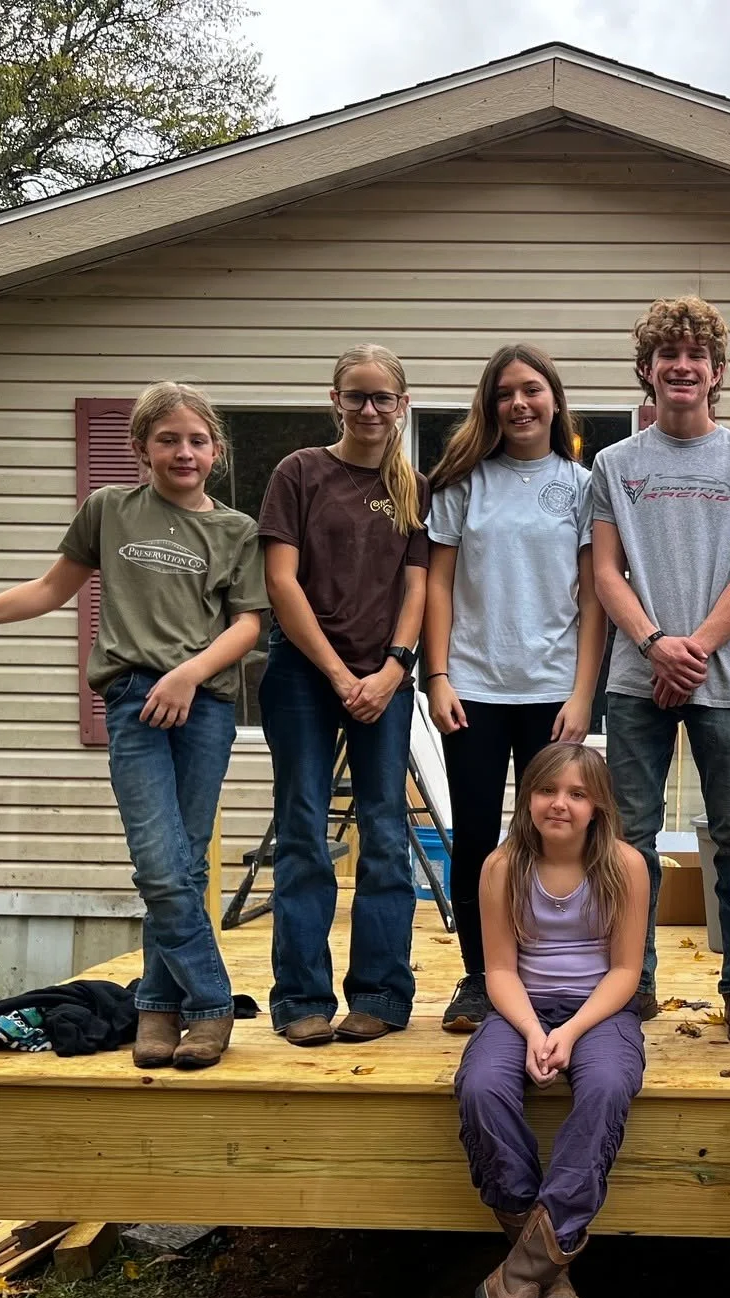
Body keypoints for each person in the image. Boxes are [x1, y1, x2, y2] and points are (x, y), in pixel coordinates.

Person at [0, 383, 266, 1071]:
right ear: (142, 448)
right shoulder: (110, 510)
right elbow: (50, 588)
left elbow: (248, 625)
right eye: (168, 439)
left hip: (203, 707)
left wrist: (189, 674)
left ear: (214, 451)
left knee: (184, 867)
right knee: (160, 868)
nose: (183, 451)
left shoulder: (235, 531)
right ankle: (212, 1005)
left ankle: (158, 1012)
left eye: (196, 440)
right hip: (133, 701)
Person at [590, 295, 730, 1046]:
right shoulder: (613, 464)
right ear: (647, 370)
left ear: (716, 372)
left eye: (695, 356)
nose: (682, 366)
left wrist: (694, 648)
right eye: (668, 355)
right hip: (636, 679)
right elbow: (606, 573)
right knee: (628, 841)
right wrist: (653, 646)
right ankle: (631, 984)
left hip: (725, 683)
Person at [423, 345, 604, 1034]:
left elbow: (592, 597)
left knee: (551, 836)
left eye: (533, 390)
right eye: (505, 393)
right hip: (471, 687)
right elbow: (437, 582)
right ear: (489, 405)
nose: (520, 404)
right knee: (475, 838)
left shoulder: (583, 484)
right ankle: (478, 975)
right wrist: (436, 675)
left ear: (555, 401)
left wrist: (583, 692)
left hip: (553, 690)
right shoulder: (465, 483)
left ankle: (541, 968)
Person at [455, 742, 649, 1298]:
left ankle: (516, 1278)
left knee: (607, 1086)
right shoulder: (503, 866)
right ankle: (544, 1263)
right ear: (528, 798)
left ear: (597, 807)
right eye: (547, 790)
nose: (560, 804)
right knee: (482, 1084)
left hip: (601, 1008)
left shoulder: (624, 865)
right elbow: (499, 970)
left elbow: (624, 972)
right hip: (522, 1004)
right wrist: (538, 1029)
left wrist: (569, 1034)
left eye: (576, 793)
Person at [257, 344, 430, 1046]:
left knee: (386, 833)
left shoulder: (413, 487)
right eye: (355, 397)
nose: (368, 410)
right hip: (304, 673)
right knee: (303, 832)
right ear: (335, 400)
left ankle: (381, 994)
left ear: (401, 405)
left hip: (384, 674)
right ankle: (301, 998)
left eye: (382, 398)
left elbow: (419, 587)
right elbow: (280, 582)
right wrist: (336, 673)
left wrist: (393, 668)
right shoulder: (299, 473)